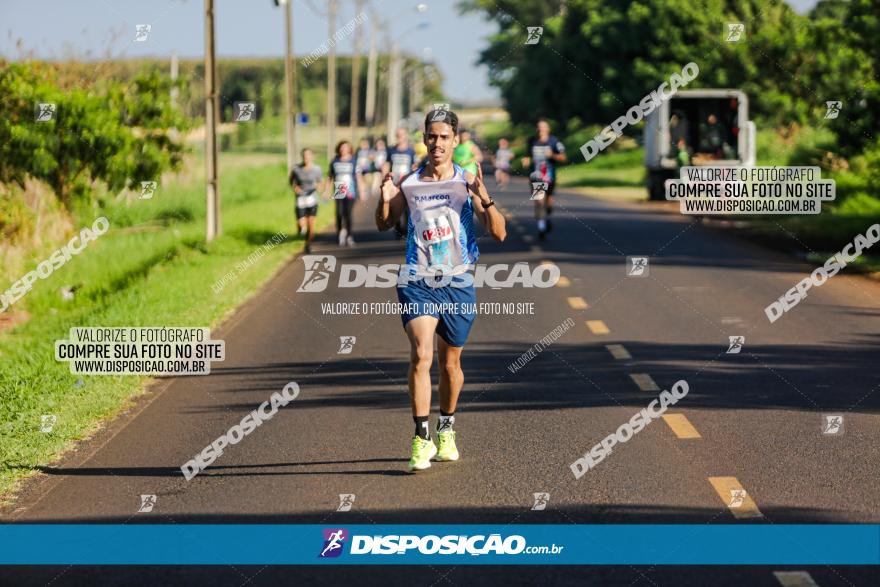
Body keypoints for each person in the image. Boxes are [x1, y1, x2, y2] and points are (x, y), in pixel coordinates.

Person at [375, 108, 507, 472]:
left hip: (458, 281)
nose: (437, 143)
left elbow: (499, 232)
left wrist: (485, 196)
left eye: (444, 137)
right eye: (431, 136)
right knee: (421, 355)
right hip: (418, 280)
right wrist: (385, 198)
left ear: (455, 140)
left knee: (451, 363)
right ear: (424, 139)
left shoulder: (466, 180)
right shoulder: (411, 182)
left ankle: (446, 426)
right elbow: (385, 223)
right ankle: (421, 438)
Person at [521, 119, 567, 240]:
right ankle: (542, 228)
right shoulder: (532, 141)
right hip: (536, 176)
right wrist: (525, 160)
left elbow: (563, 157)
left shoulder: (554, 141)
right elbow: (527, 155)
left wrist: (552, 155)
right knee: (539, 202)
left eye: (543, 127)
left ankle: (547, 217)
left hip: (549, 176)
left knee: (548, 204)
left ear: (548, 129)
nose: (540, 129)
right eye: (538, 127)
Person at [383, 128, 417, 239]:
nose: (400, 137)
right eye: (398, 135)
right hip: (394, 182)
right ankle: (397, 229)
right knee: (395, 206)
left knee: (407, 207)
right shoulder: (391, 150)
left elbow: (414, 166)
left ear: (405, 136)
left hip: (407, 183)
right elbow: (387, 165)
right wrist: (386, 178)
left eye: (402, 135)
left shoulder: (410, 151)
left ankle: (406, 230)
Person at [289, 147, 324, 254]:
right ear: (302, 157)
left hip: (312, 198)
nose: (306, 158)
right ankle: (300, 228)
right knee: (302, 225)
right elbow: (291, 181)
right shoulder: (296, 169)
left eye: (308, 155)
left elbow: (320, 183)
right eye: (304, 156)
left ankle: (308, 245)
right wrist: (295, 188)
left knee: (310, 224)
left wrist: (319, 187)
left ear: (312, 157)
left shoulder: (317, 169)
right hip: (301, 198)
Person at [328, 140, 360, 247]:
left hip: (350, 189)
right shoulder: (334, 161)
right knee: (339, 213)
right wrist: (326, 190)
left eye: (346, 147)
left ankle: (349, 235)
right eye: (342, 148)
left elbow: (358, 176)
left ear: (350, 149)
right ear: (339, 149)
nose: (343, 150)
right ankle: (339, 234)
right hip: (340, 189)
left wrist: (362, 190)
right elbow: (330, 177)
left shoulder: (353, 161)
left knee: (348, 214)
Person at [355, 138, 373, 203]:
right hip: (359, 169)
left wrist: (370, 156)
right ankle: (362, 196)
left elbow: (372, 158)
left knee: (368, 181)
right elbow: (355, 159)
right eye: (362, 143)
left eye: (365, 143)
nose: (364, 145)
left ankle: (366, 192)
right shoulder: (358, 151)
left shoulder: (370, 151)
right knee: (360, 183)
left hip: (367, 169)